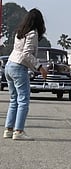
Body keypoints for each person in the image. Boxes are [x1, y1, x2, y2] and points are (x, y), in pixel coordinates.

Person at [4, 8, 48, 141]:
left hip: (9, 65)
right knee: (23, 100)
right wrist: (40, 67)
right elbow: (27, 54)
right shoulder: (32, 33)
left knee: (14, 100)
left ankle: (8, 129)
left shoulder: (20, 32)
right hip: (18, 67)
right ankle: (19, 131)